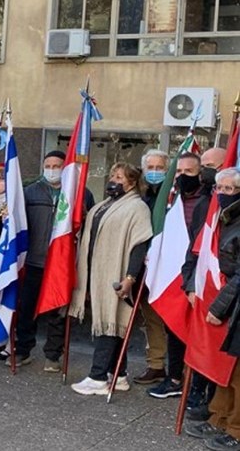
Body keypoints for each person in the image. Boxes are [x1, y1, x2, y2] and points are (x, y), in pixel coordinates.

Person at [70, 163, 151, 395]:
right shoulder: (104, 205)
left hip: (117, 272)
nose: (114, 180)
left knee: (110, 322)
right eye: (113, 175)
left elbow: (139, 244)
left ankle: (97, 377)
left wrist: (130, 277)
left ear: (132, 182)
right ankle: (120, 375)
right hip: (97, 271)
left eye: (120, 177)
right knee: (112, 323)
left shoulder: (137, 207)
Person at [11, 150, 94, 369]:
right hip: (34, 261)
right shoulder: (30, 192)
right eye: (48, 166)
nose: (51, 170)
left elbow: (87, 228)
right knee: (27, 309)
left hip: (62, 264)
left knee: (58, 311)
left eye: (56, 166)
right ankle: (23, 350)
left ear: (65, 168)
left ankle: (53, 355)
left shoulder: (80, 193)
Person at [186, 168, 240, 450]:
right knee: (225, 369)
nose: (223, 194)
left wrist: (218, 307)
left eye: (230, 189)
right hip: (229, 301)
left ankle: (236, 429)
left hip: (234, 303)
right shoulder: (224, 219)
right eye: (220, 189)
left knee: (239, 373)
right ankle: (220, 417)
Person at [146, 152, 204, 399]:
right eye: (178, 172)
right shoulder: (171, 201)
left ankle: (197, 387)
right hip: (174, 275)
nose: (182, 177)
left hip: (200, 276)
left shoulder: (208, 201)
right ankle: (174, 378)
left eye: (188, 172)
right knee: (173, 327)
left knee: (199, 334)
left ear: (200, 174)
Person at [182, 147, 227, 421]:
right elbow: (195, 248)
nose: (208, 171)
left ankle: (217, 407)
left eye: (212, 165)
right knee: (200, 345)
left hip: (225, 289)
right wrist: (190, 283)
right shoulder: (204, 204)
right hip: (201, 284)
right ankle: (198, 396)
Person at [132, 149, 171, 386]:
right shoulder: (141, 195)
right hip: (145, 266)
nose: (155, 172)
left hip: (168, 266)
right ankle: (156, 365)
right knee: (151, 319)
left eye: (160, 168)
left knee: (172, 319)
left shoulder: (172, 196)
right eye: (151, 168)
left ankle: (180, 369)